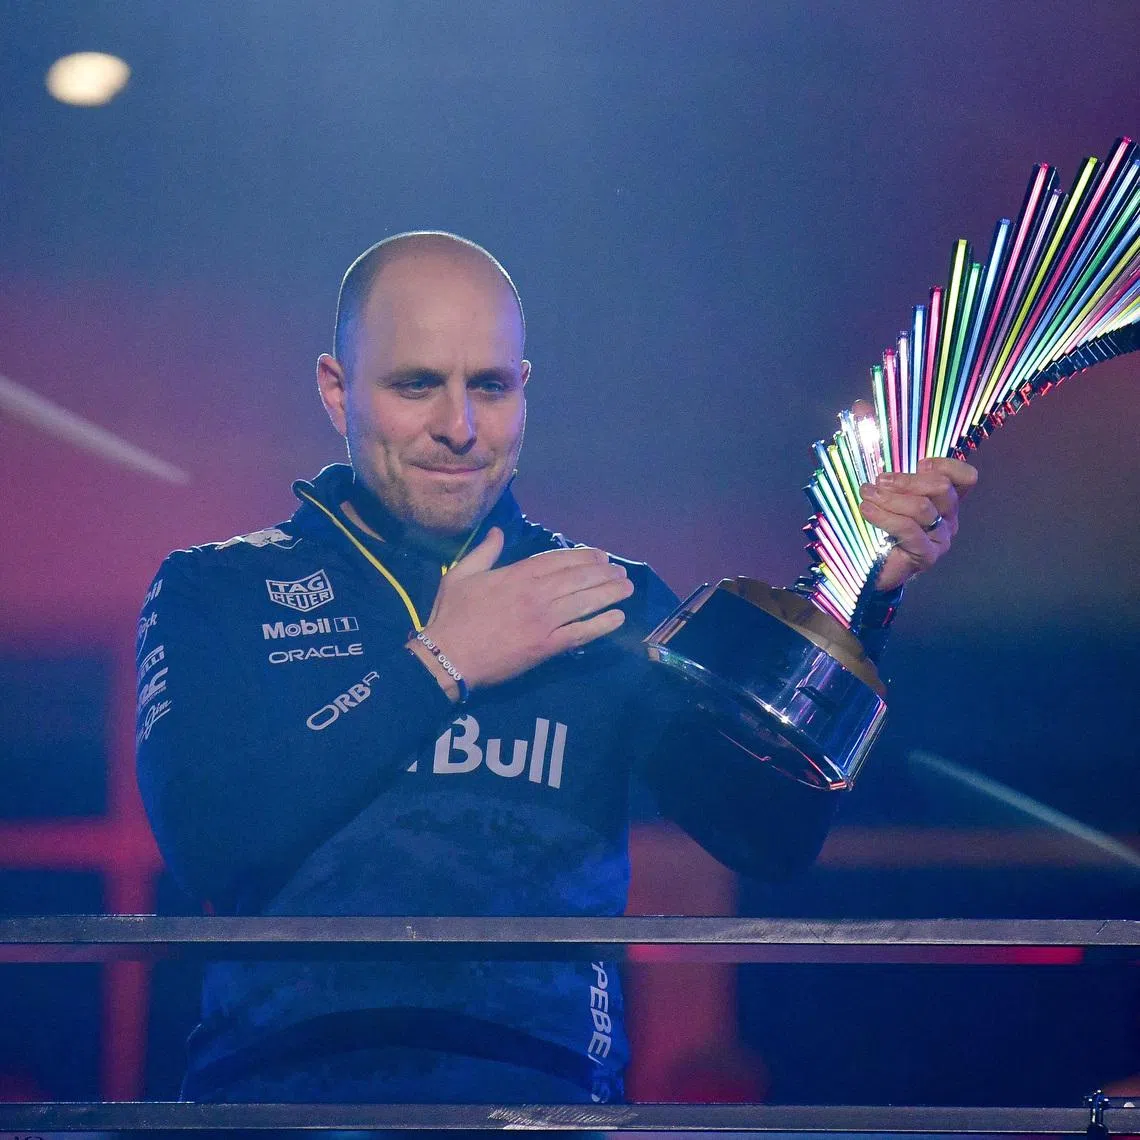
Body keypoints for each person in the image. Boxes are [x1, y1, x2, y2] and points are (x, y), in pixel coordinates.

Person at [135, 231, 976, 1104]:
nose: (458, 427)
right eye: (416, 383)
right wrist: (443, 661)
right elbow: (207, 842)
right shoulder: (218, 587)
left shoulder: (606, 596)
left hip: (543, 1110)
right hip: (276, 1108)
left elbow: (765, 836)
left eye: (488, 386)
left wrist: (860, 603)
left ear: (524, 389)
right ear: (336, 389)